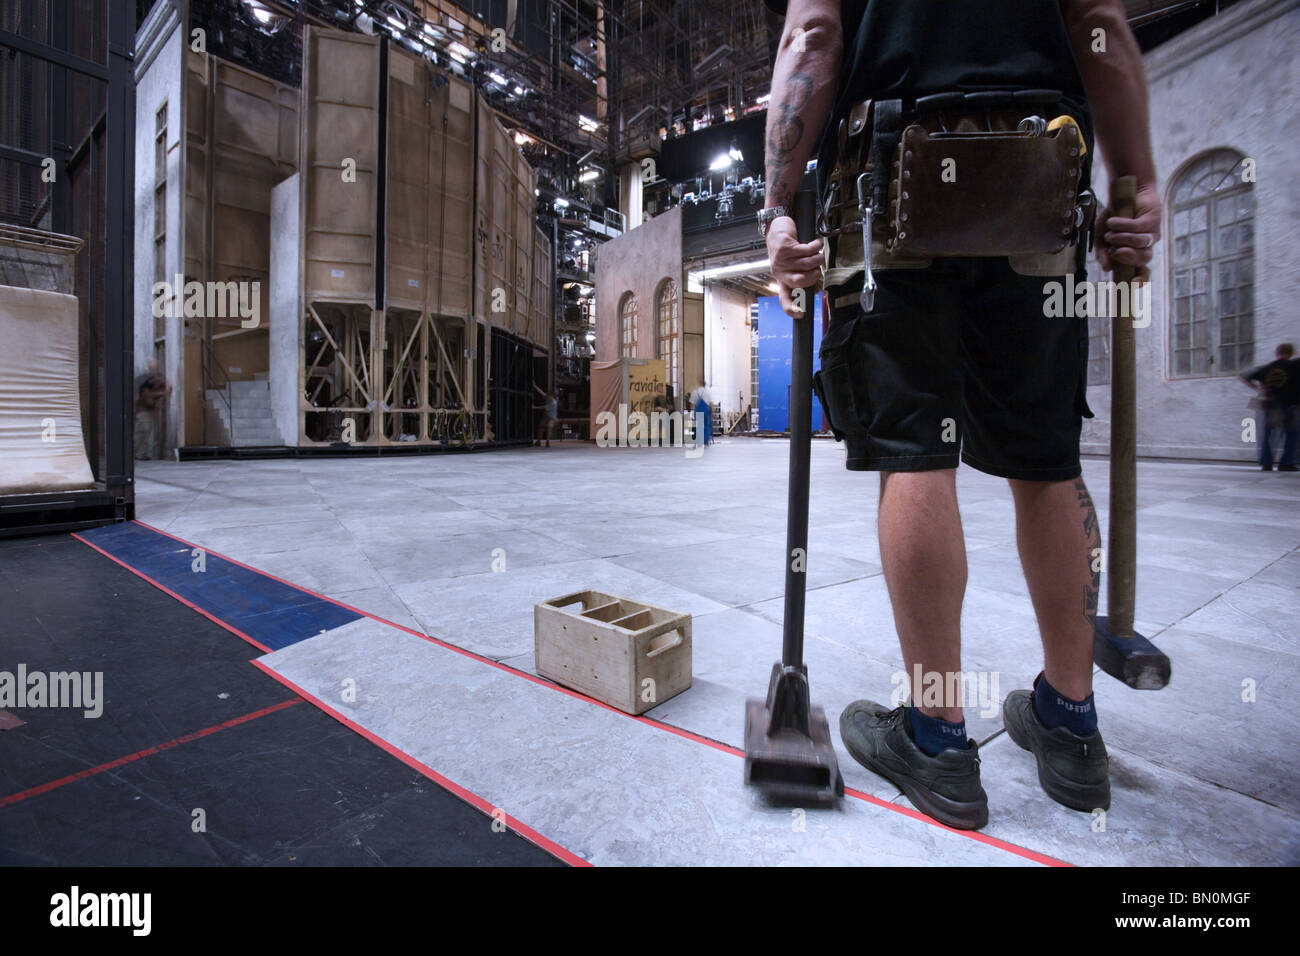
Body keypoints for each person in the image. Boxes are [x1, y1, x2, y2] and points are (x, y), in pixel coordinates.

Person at [762, 0, 1161, 829]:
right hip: (1037, 182)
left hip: (897, 181)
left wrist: (778, 206)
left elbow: (814, 35)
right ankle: (1071, 722)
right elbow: (1100, 24)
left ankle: (939, 739)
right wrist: (1139, 176)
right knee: (1047, 461)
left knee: (915, 455)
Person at [1240, 343, 1300, 471]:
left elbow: (1243, 376)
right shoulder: (1294, 365)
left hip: (1271, 405)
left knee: (1268, 434)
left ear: (1277, 353)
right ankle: (1286, 463)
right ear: (1291, 353)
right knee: (1291, 434)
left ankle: (1266, 463)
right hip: (1289, 404)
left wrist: (1257, 388)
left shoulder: (1267, 368)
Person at [133, 358, 170, 461]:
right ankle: (133, 453)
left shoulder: (156, 378)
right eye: (154, 367)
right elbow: (145, 395)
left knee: (145, 431)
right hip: (142, 410)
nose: (155, 369)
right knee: (141, 431)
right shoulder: (144, 380)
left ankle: (141, 454)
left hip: (148, 410)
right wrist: (163, 393)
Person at [688, 381, 714, 446]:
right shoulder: (707, 392)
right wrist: (712, 412)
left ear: (698, 384)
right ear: (704, 385)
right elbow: (711, 403)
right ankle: (705, 440)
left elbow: (691, 404)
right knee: (706, 426)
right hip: (706, 411)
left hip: (698, 411)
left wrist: (691, 413)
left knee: (699, 426)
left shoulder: (695, 392)